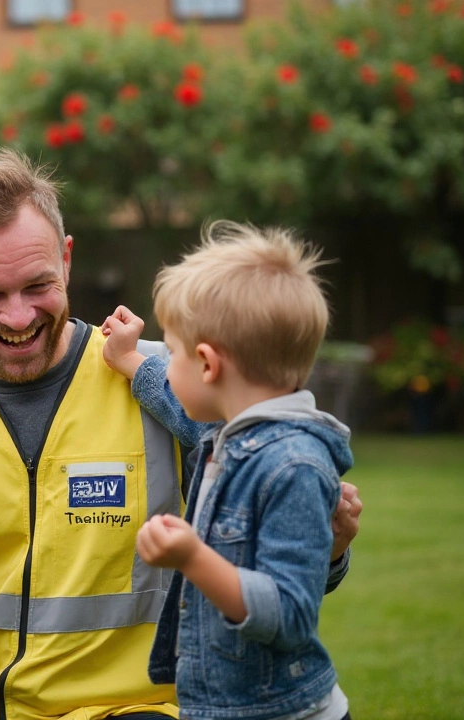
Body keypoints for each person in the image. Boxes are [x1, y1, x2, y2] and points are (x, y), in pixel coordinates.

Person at [0, 150, 360, 720]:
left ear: (66, 259)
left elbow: (273, 550)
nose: (19, 317)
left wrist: (330, 551)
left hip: (127, 709)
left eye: (37, 285)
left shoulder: (176, 384)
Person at [99, 221, 358, 720]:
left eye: (169, 350)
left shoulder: (292, 465)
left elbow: (290, 614)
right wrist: (131, 360)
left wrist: (193, 557)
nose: (165, 362)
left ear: (208, 364)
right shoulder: (230, 435)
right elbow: (180, 406)